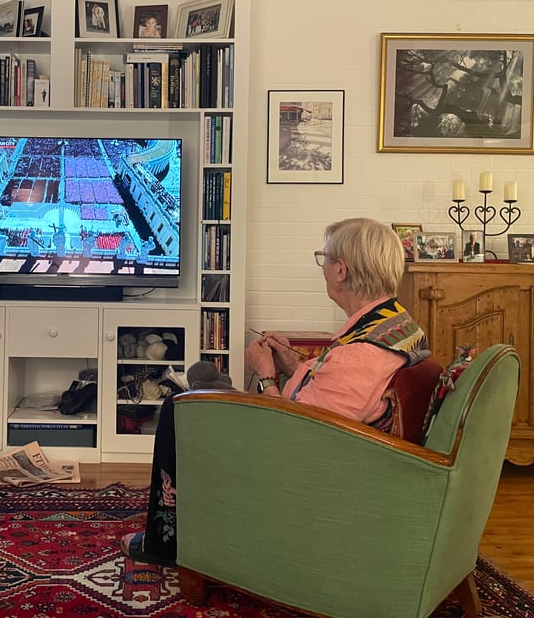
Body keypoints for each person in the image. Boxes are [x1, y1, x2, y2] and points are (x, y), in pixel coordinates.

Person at [119, 217, 431, 566]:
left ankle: (166, 543)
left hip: (300, 466)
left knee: (178, 409)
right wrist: (289, 366)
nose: (323, 267)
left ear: (341, 270)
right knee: (204, 394)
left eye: (323, 258)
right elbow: (331, 398)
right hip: (339, 449)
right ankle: (211, 394)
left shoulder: (360, 354)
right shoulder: (392, 322)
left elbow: (295, 435)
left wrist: (266, 376)